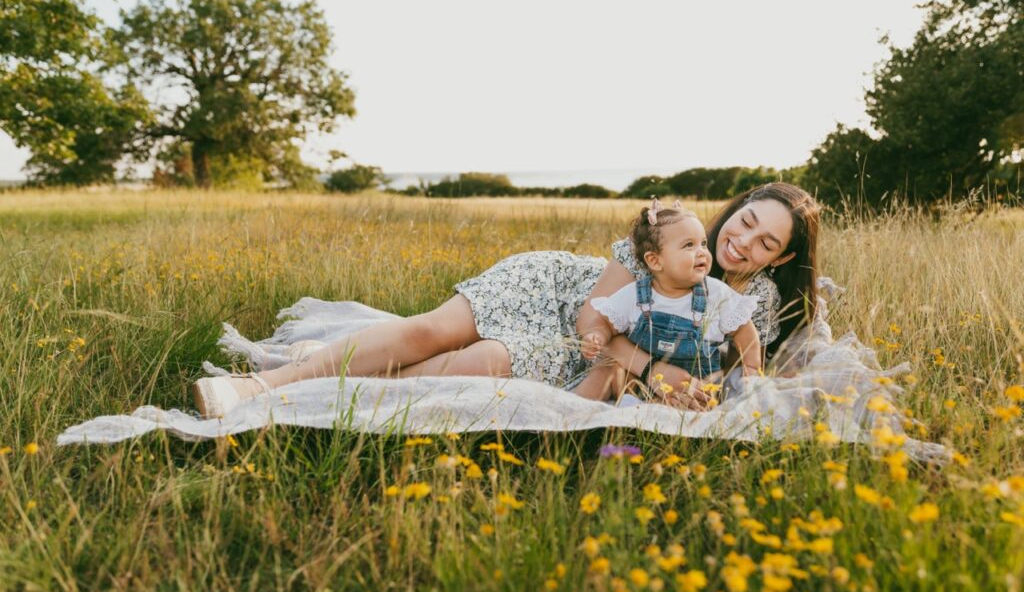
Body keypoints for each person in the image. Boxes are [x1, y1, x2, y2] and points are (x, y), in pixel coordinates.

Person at [192, 182, 820, 417]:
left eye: (766, 242)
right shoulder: (664, 238)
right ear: (733, 209)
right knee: (428, 334)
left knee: (477, 364)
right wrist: (656, 369)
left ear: (782, 258)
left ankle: (322, 373)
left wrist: (682, 383)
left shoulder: (756, 305)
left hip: (592, 364)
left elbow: (728, 371)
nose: (743, 242)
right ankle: (260, 391)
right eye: (745, 221)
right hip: (558, 300)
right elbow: (589, 321)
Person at [574, 201, 761, 401]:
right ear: (655, 260)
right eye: (689, 245)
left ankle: (652, 419)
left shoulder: (716, 294)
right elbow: (606, 323)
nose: (702, 252)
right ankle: (570, 417)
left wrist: (751, 368)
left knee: (703, 398)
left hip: (694, 386)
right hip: (640, 380)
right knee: (607, 371)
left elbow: (744, 331)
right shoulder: (635, 295)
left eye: (703, 243)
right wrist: (597, 335)